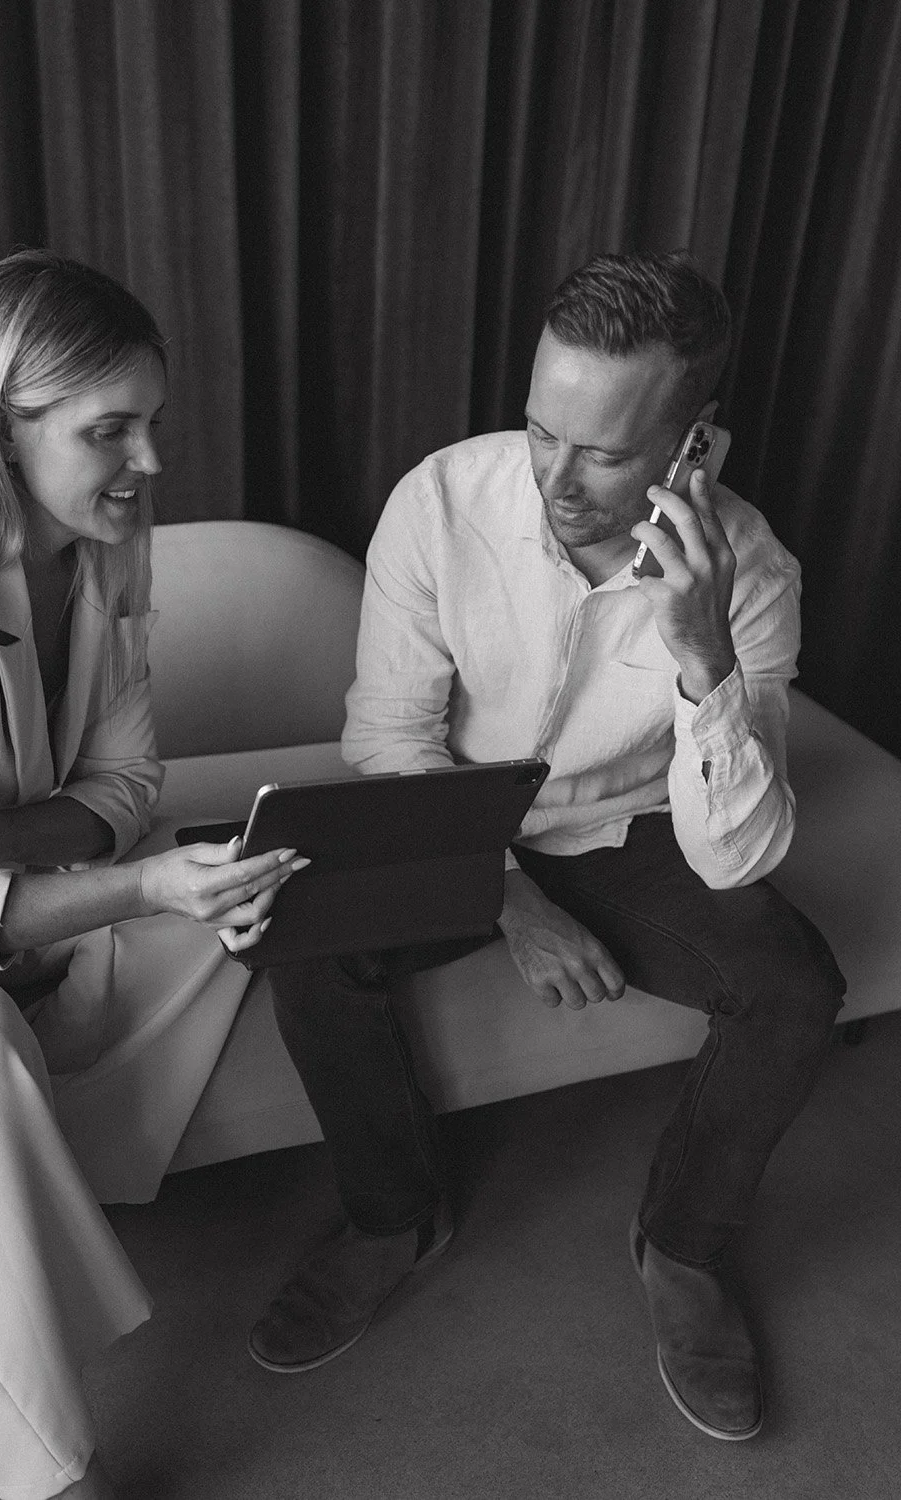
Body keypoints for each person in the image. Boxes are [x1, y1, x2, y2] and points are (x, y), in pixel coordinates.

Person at [249, 251, 846, 1441]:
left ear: (692, 447)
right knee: (309, 950)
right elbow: (391, 734)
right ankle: (390, 1218)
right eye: (539, 430)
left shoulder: (751, 573)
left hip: (637, 827)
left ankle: (682, 1250)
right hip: (450, 813)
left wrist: (700, 655)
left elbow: (736, 857)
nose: (553, 480)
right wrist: (508, 897)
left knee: (793, 988)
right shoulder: (441, 501)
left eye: (606, 453)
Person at [0, 251, 309, 1500]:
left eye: (152, 424)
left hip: (3, 869)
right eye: (108, 431)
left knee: (251, 885)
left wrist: (6, 835)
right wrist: (133, 884)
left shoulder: (109, 547)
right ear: (1, 429)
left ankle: (40, 1184)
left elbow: (128, 784)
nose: (150, 463)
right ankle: (51, 1472)